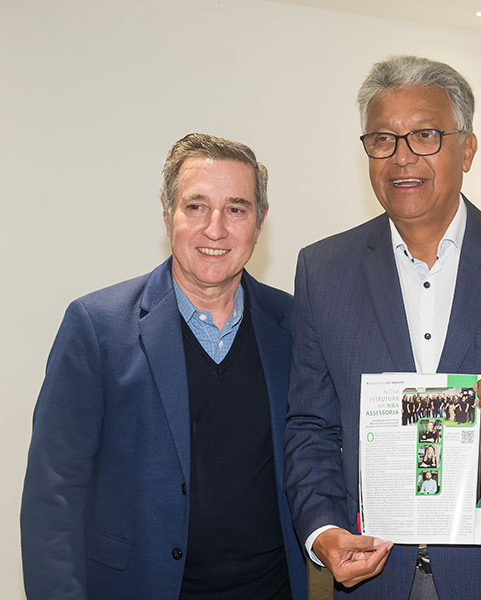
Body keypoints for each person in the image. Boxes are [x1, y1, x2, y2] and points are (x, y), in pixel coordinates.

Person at [284, 55, 481, 600]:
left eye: (425, 136)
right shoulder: (323, 270)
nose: (402, 157)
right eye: (382, 139)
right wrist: (323, 530)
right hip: (377, 575)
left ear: (467, 149)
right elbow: (311, 425)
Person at [21, 133, 308, 599]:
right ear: (167, 212)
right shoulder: (96, 327)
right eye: (196, 206)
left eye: (236, 209)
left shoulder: (295, 323)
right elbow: (52, 495)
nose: (215, 228)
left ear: (260, 222)